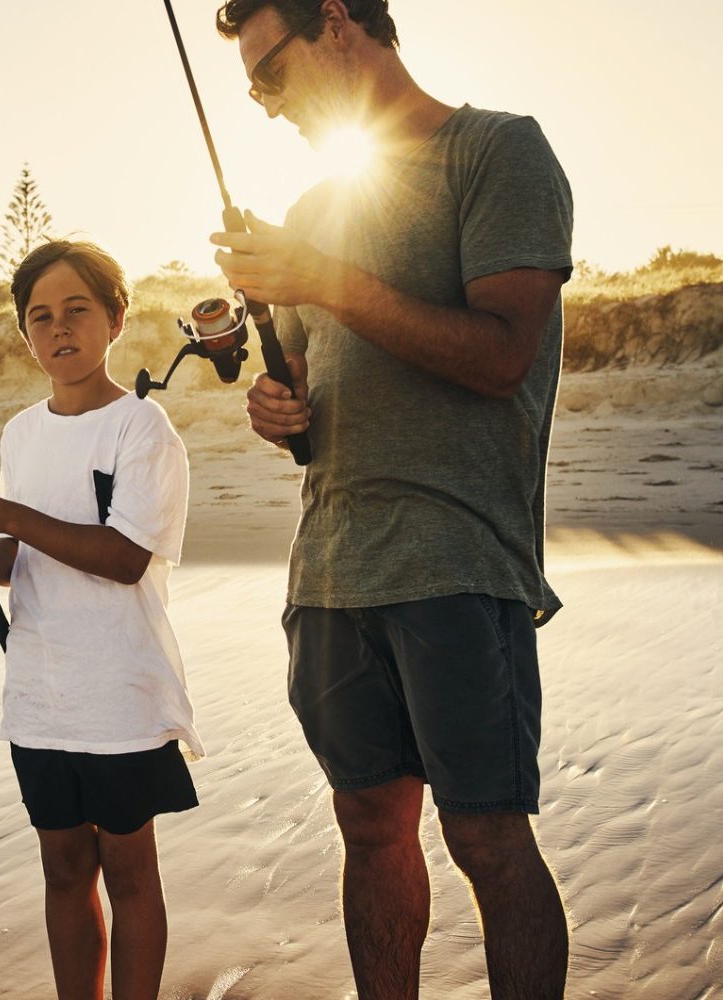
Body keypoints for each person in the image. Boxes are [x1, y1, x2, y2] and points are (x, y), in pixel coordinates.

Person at [208, 1, 575, 997]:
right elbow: (321, 402)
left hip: (457, 558)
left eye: (269, 73)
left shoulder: (496, 151)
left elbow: (500, 355)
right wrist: (278, 408)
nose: (263, 104)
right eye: (249, 89)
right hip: (331, 569)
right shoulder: (312, 213)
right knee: (367, 829)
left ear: (335, 21)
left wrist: (325, 280)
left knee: (484, 834)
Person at [0, 240, 201, 1000]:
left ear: (115, 318)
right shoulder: (22, 432)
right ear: (25, 335)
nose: (58, 329)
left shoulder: (143, 428)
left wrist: (4, 513)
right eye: (39, 317)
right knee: (63, 869)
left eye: (76, 310)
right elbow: (26, 556)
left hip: (119, 694)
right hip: (40, 696)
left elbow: (123, 558)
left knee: (129, 872)